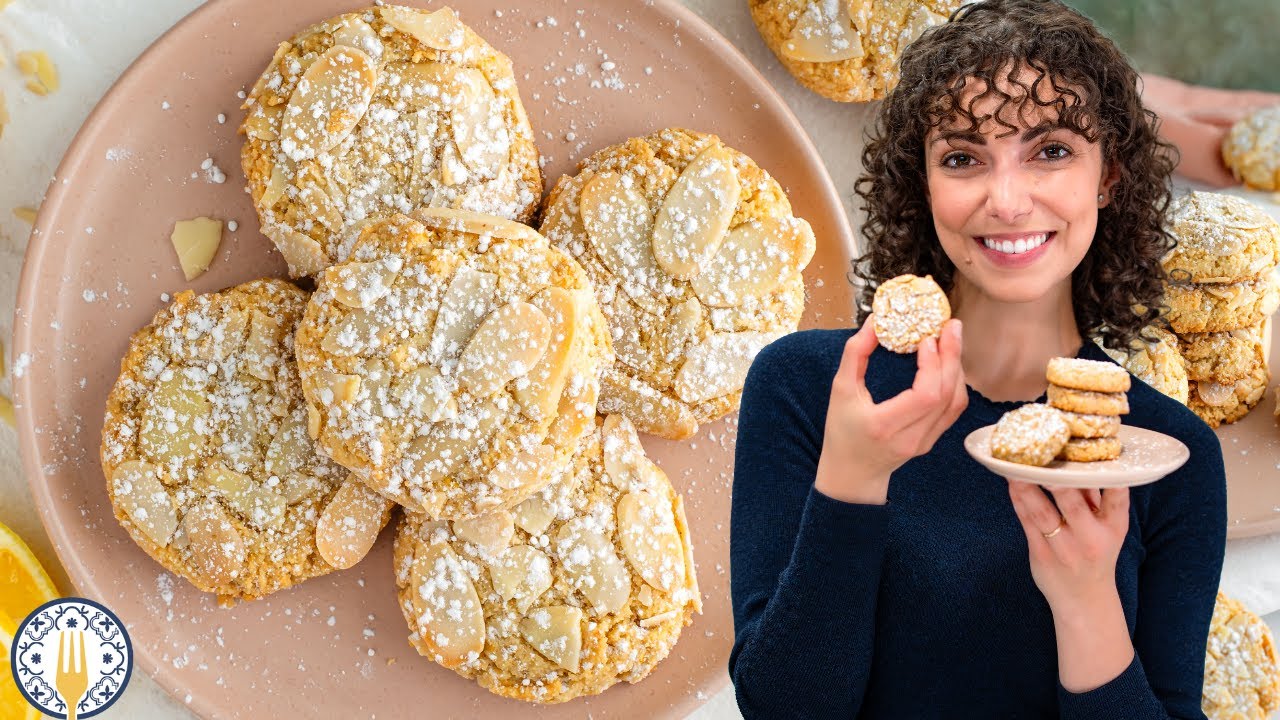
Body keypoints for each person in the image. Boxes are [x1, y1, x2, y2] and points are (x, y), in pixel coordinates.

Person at [728, 1, 1226, 717]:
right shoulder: (810, 388)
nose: (1007, 199)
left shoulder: (1166, 456)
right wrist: (852, 480)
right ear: (924, 184)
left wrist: (1087, 601)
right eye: (963, 158)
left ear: (1108, 176)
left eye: (1051, 150)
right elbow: (784, 707)